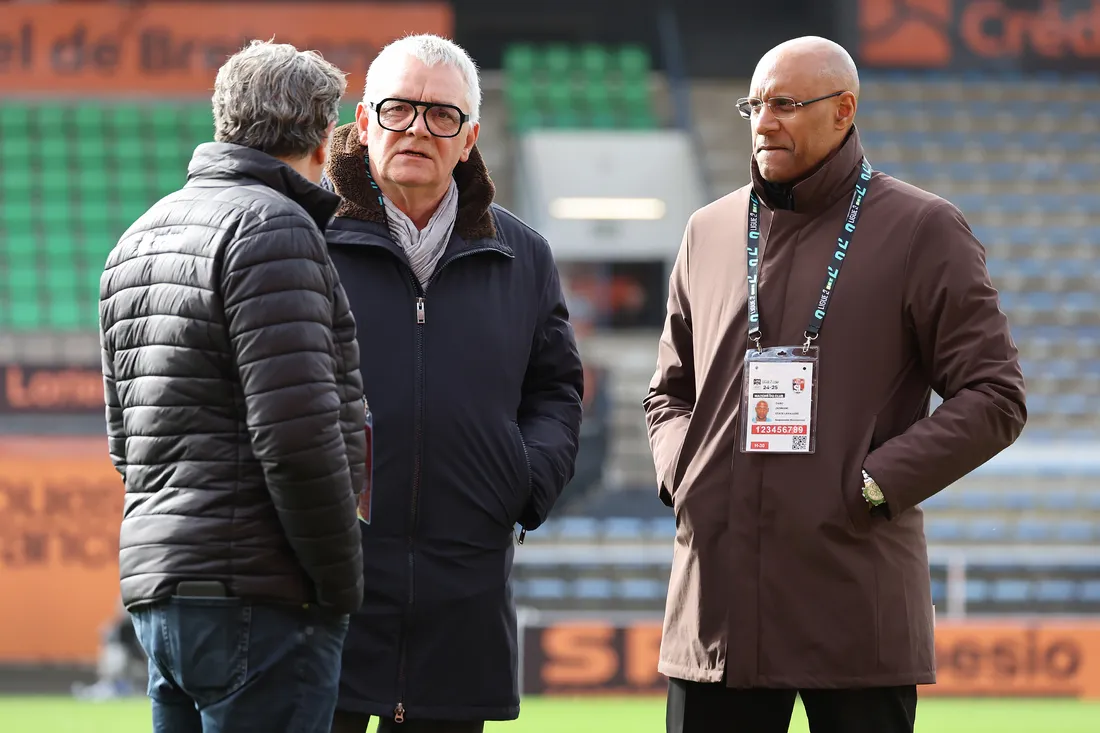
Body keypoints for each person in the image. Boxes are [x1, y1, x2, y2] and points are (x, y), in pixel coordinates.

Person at [643, 36, 1026, 733]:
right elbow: (669, 392)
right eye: (754, 105)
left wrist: (873, 483)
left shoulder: (923, 228)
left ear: (845, 109)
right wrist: (686, 474)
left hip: (854, 601)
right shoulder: (710, 230)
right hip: (719, 612)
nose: (764, 122)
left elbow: (996, 395)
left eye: (786, 104)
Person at [98, 40, 366, 733]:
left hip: (164, 595)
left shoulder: (139, 234)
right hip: (261, 593)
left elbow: (125, 443)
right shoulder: (275, 228)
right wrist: (340, 584)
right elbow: (299, 438)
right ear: (323, 133)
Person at [321, 34, 585, 733]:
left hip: (461, 599)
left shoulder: (523, 253)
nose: (417, 129)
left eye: (441, 116)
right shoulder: (304, 236)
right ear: (365, 122)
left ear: (468, 139)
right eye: (399, 109)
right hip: (326, 592)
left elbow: (556, 387)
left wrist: (525, 479)